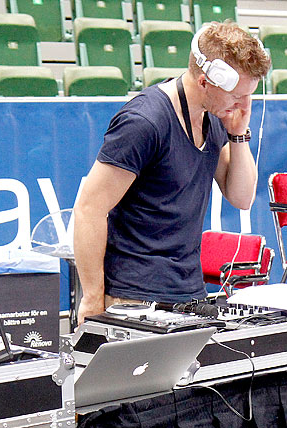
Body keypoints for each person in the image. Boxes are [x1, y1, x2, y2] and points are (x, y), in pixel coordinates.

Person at [73, 20, 271, 322]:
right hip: (133, 296)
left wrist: (239, 134)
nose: (244, 104)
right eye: (236, 96)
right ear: (205, 81)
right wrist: (91, 300)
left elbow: (242, 197)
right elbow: (89, 209)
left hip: (188, 291)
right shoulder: (145, 121)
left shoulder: (215, 116)